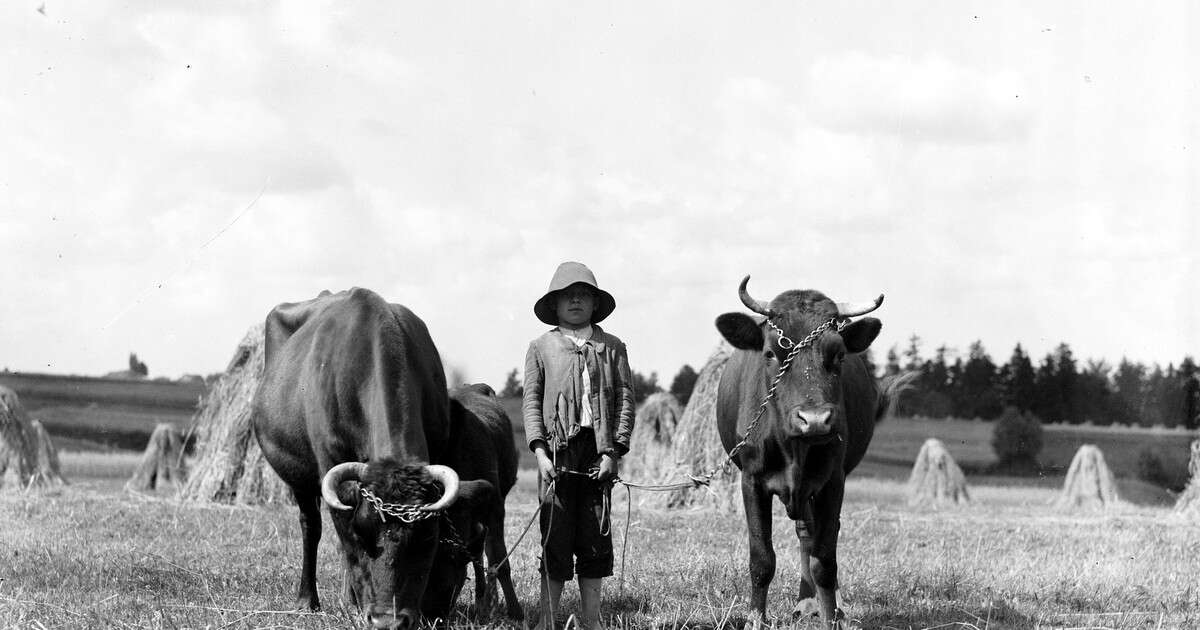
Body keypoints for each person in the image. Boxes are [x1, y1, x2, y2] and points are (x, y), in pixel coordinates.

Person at [523, 261, 636, 630]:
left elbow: (625, 400)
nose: (575, 301)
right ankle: (547, 620)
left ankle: (592, 621)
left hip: (597, 453)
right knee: (554, 536)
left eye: (583, 295)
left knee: (595, 536)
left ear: (594, 303)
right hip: (555, 453)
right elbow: (531, 402)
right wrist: (540, 453)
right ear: (554, 305)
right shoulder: (540, 347)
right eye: (567, 296)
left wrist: (613, 452)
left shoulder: (612, 347)